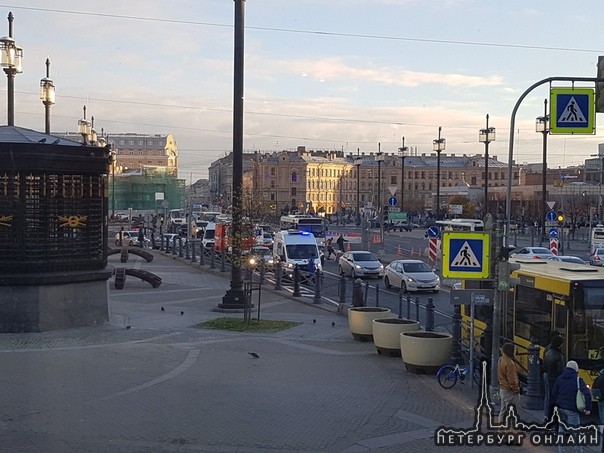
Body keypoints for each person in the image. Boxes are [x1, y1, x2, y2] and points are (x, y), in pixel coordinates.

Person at [551, 360, 591, 452]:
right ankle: (578, 450)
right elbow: (587, 394)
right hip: (572, 409)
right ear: (576, 369)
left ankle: (561, 450)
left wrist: (556, 404)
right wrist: (588, 408)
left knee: (561, 429)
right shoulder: (578, 380)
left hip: (560, 408)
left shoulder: (560, 378)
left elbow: (554, 393)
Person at [543, 335, 565, 422]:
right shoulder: (559, 356)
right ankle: (552, 418)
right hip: (553, 378)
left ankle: (547, 416)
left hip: (546, 375)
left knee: (547, 397)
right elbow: (560, 370)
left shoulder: (548, 352)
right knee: (553, 399)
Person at [497, 342, 520, 423]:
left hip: (502, 388)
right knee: (511, 413)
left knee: (502, 411)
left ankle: (500, 430)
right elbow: (512, 380)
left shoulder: (501, 359)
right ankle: (507, 431)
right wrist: (516, 389)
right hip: (509, 390)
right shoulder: (510, 363)